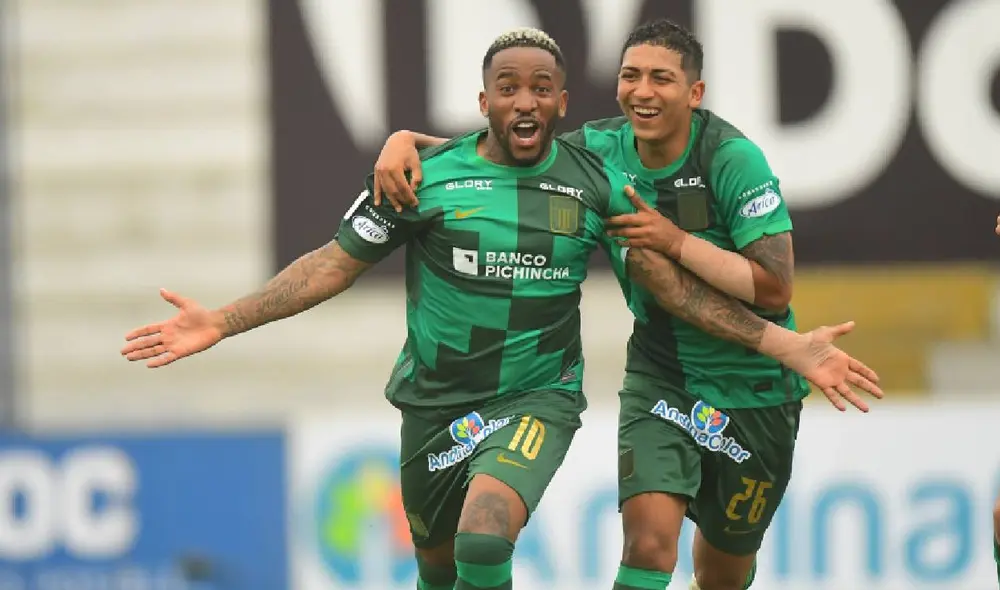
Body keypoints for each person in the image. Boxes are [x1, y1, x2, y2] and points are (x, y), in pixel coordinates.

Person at [122, 29, 879, 590]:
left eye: (541, 88)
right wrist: (222, 320)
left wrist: (787, 348)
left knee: (492, 538)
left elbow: (672, 285)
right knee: (440, 564)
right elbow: (331, 265)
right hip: (434, 402)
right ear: (483, 103)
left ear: (560, 101)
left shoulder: (597, 180)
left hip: (535, 397)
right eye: (507, 89)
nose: (525, 101)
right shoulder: (426, 177)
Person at [367, 19, 883, 590]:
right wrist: (407, 142)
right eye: (630, 76)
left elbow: (774, 288)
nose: (642, 91)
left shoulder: (733, 159)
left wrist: (675, 240)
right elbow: (511, 160)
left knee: (722, 575)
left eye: (661, 78)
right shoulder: (600, 149)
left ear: (695, 93)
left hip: (754, 385)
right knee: (649, 543)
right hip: (662, 378)